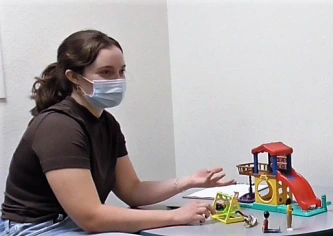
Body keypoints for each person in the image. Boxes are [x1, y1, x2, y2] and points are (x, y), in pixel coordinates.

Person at [0, 29, 236, 235]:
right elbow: (91, 217)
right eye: (106, 72)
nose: (118, 80)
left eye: (121, 71)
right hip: (35, 229)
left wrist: (189, 182)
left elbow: (132, 191)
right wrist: (177, 216)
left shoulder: (107, 123)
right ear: (73, 77)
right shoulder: (59, 126)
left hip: (73, 225)